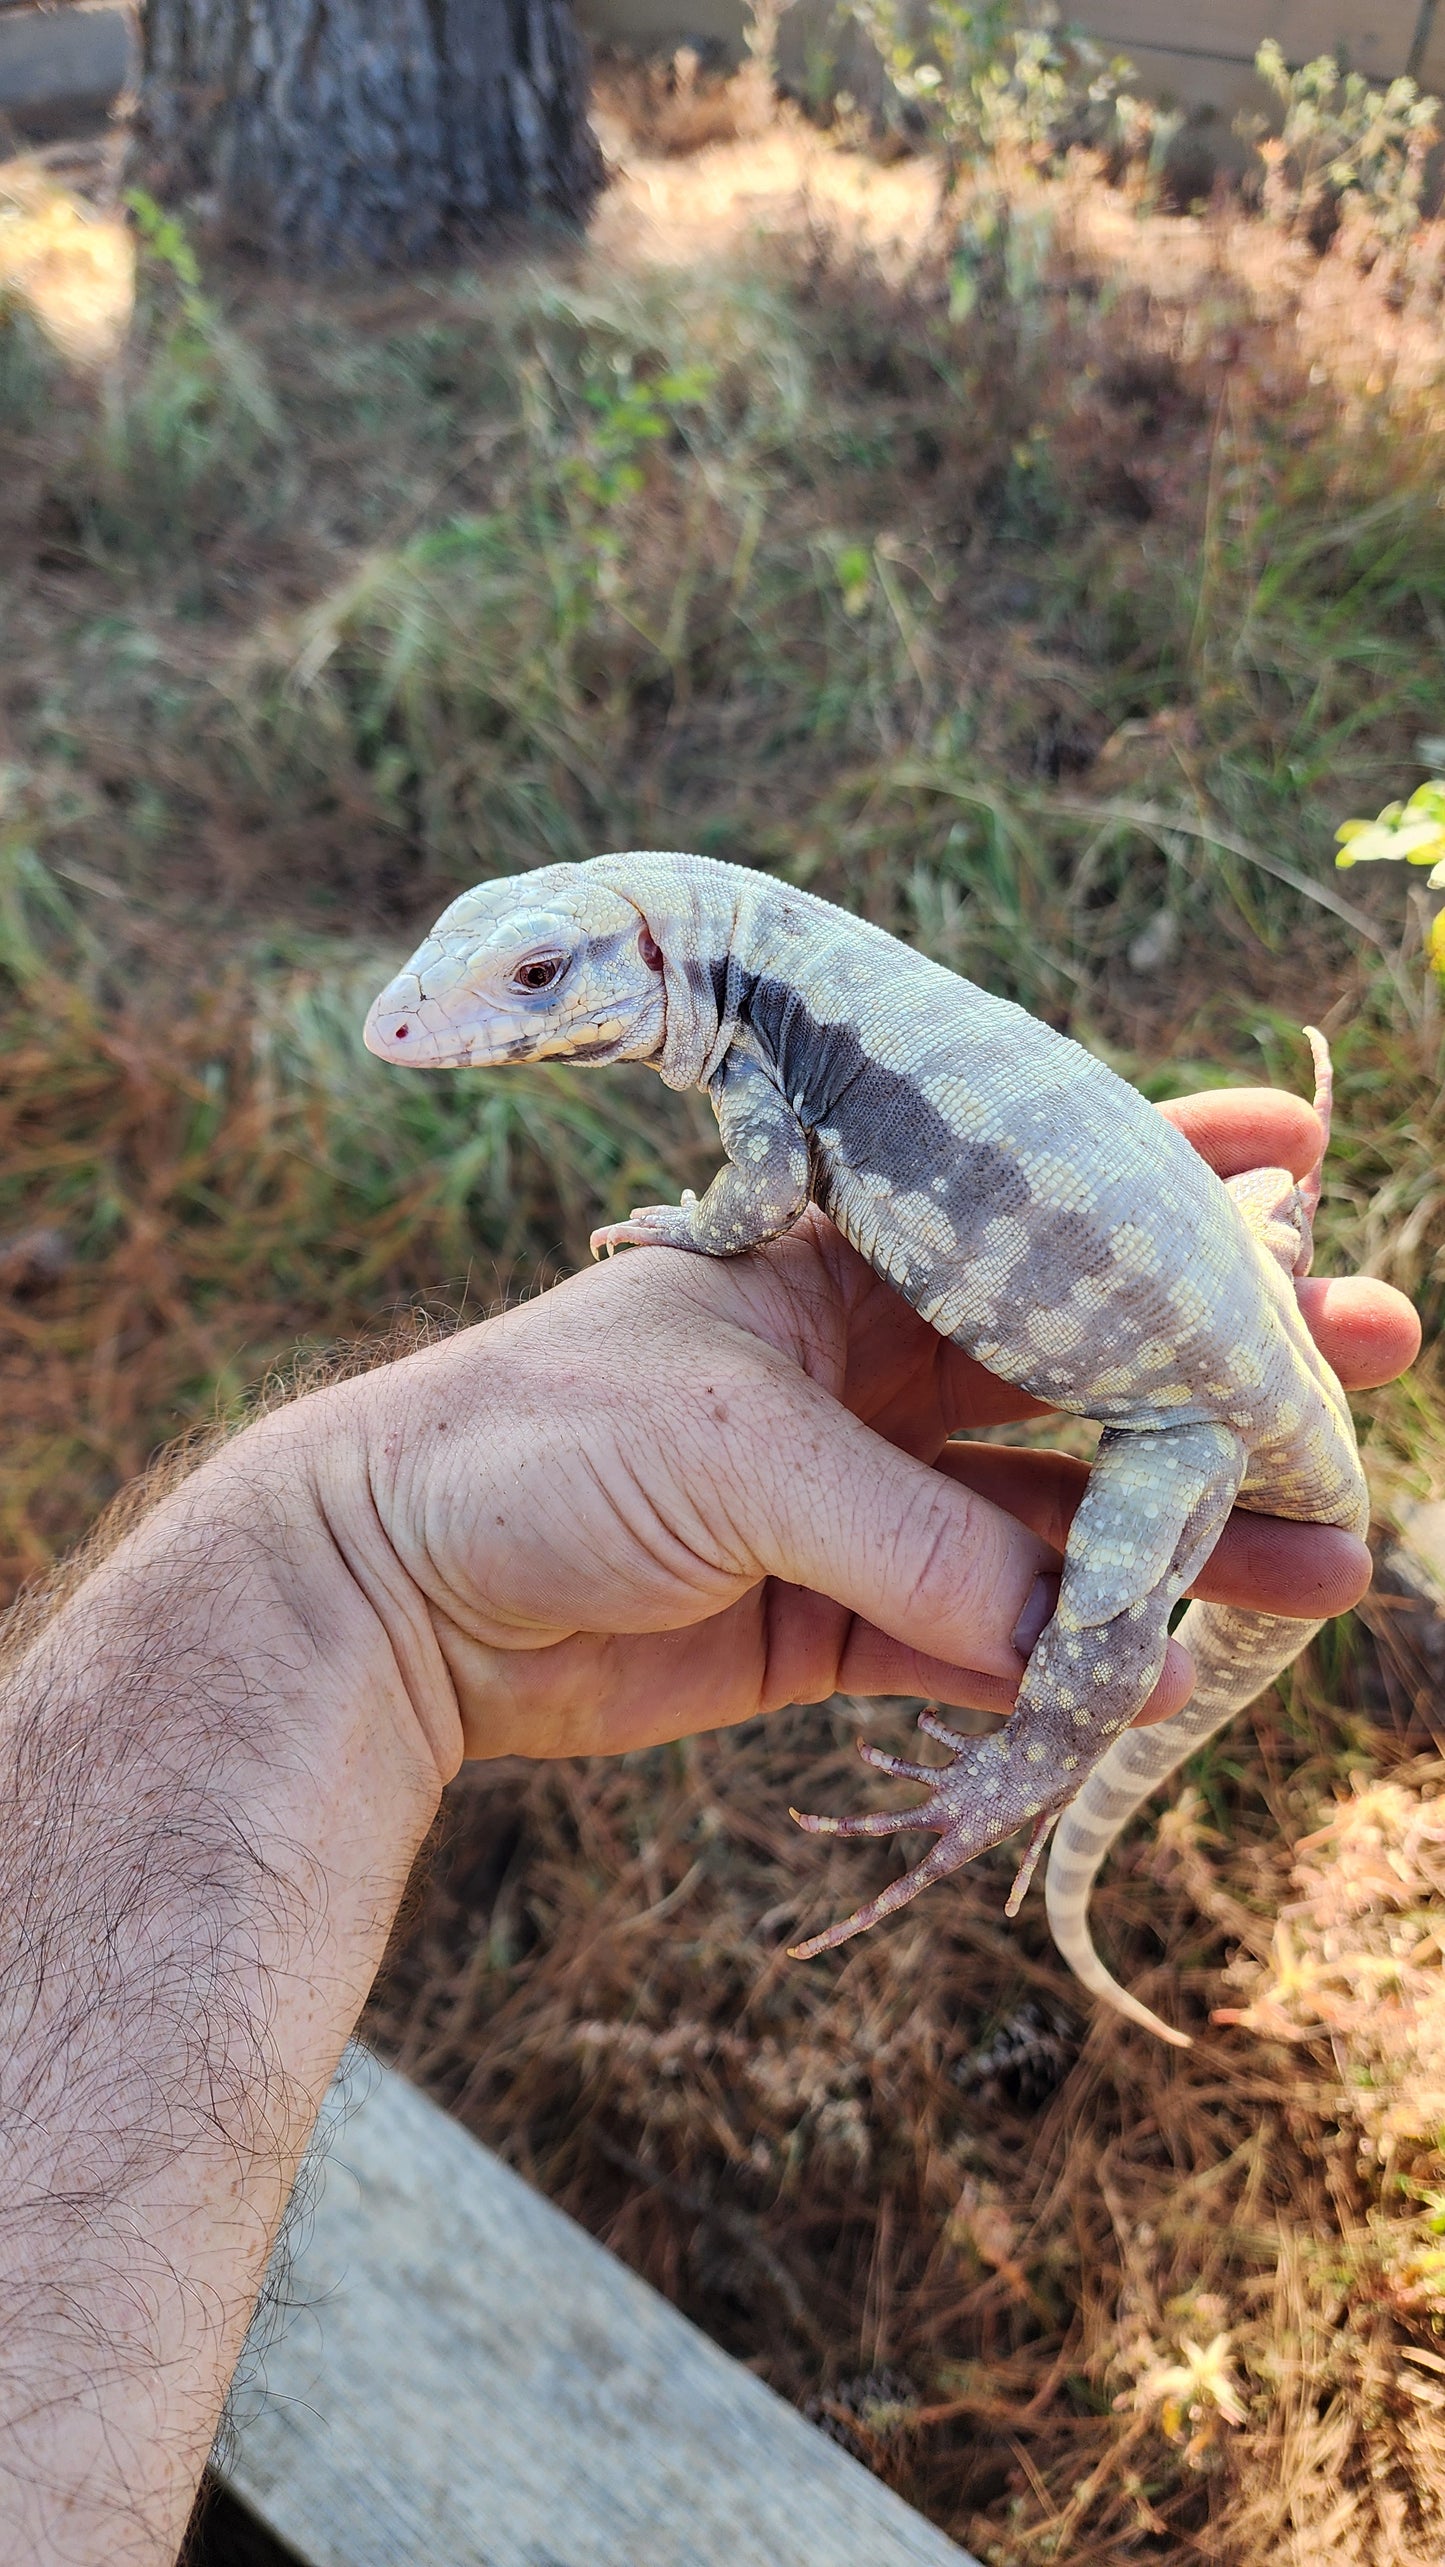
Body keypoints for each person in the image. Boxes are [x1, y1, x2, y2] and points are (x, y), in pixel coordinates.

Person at [0, 1084, 1418, 2565]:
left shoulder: (774, 1081)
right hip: (1205, 1355)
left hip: (1201, 1404)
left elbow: (764, 1180)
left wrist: (346, 1570)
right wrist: (347, 1571)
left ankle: (1045, 1757)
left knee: (1078, 1639)